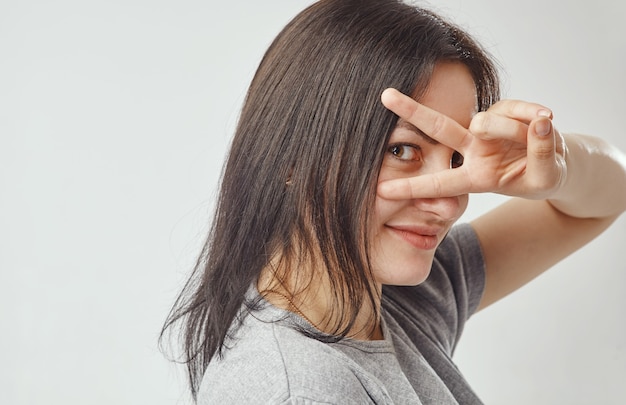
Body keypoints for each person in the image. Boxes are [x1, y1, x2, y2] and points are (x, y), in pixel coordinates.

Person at [161, 0, 626, 403]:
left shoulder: (401, 301)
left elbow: (610, 192)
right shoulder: (300, 390)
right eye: (402, 150)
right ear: (292, 158)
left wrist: (553, 164)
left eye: (457, 158)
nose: (447, 204)